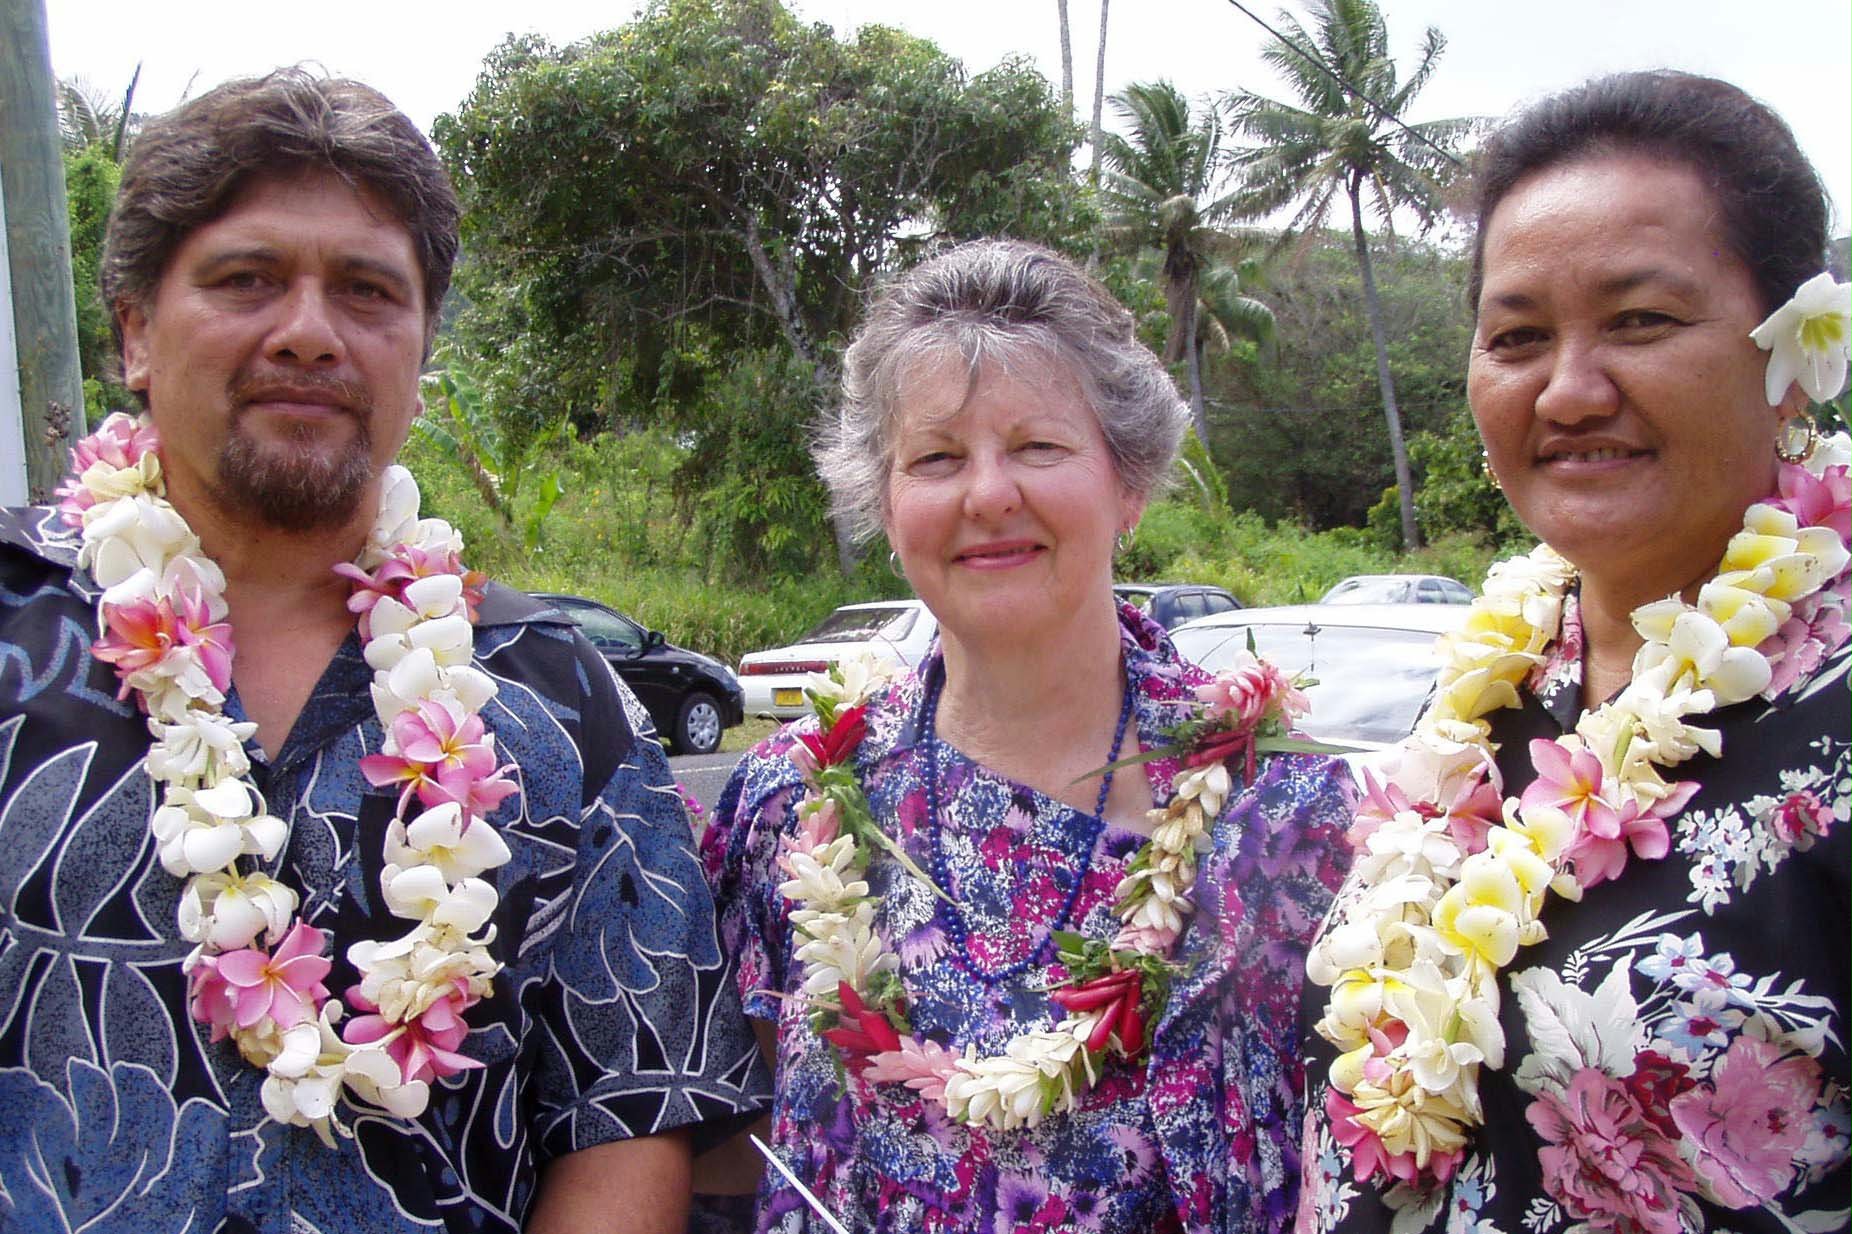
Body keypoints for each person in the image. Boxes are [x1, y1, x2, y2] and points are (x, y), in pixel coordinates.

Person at [0, 69, 768, 1233]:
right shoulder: (17, 626)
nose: (308, 333)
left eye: (366, 291)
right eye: (247, 278)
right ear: (135, 330)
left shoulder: (550, 693)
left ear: (418, 347)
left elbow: (628, 1120)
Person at [700, 239, 1355, 1233]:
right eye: (936, 457)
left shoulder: (1289, 811)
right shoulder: (788, 804)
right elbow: (729, 1135)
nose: (987, 494)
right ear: (883, 501)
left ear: (1127, 483)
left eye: (1038, 447)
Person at [1295, 71, 1852, 1232]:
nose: (1570, 389)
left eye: (1642, 320)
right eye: (1517, 336)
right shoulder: (1489, 694)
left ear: (1792, 345)